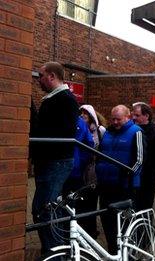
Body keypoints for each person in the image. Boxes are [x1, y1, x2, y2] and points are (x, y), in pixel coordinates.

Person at [31, 62, 79, 253]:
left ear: (51, 76)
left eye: (40, 76)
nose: (38, 80)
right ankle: (53, 251)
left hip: (56, 162)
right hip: (48, 162)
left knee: (46, 209)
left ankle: (55, 253)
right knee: (43, 209)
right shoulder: (52, 99)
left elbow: (60, 132)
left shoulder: (65, 99)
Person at [96, 105, 144, 254]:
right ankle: (113, 252)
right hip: (106, 184)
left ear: (127, 117)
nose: (115, 122)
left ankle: (128, 253)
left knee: (124, 222)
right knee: (107, 219)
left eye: (119, 119)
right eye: (113, 119)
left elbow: (140, 160)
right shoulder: (108, 133)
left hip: (124, 186)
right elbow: (100, 154)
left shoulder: (136, 132)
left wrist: (128, 175)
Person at [78, 104, 106, 238]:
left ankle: (92, 229)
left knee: (92, 199)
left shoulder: (100, 131)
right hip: (82, 168)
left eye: (85, 113)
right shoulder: (79, 128)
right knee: (81, 199)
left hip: (95, 169)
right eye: (81, 113)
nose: (83, 115)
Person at [132, 102, 155, 211]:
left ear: (146, 116)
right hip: (134, 175)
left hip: (147, 178)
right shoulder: (132, 129)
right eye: (133, 115)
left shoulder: (154, 132)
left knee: (144, 207)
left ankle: (145, 227)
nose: (134, 117)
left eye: (137, 115)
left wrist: (152, 175)